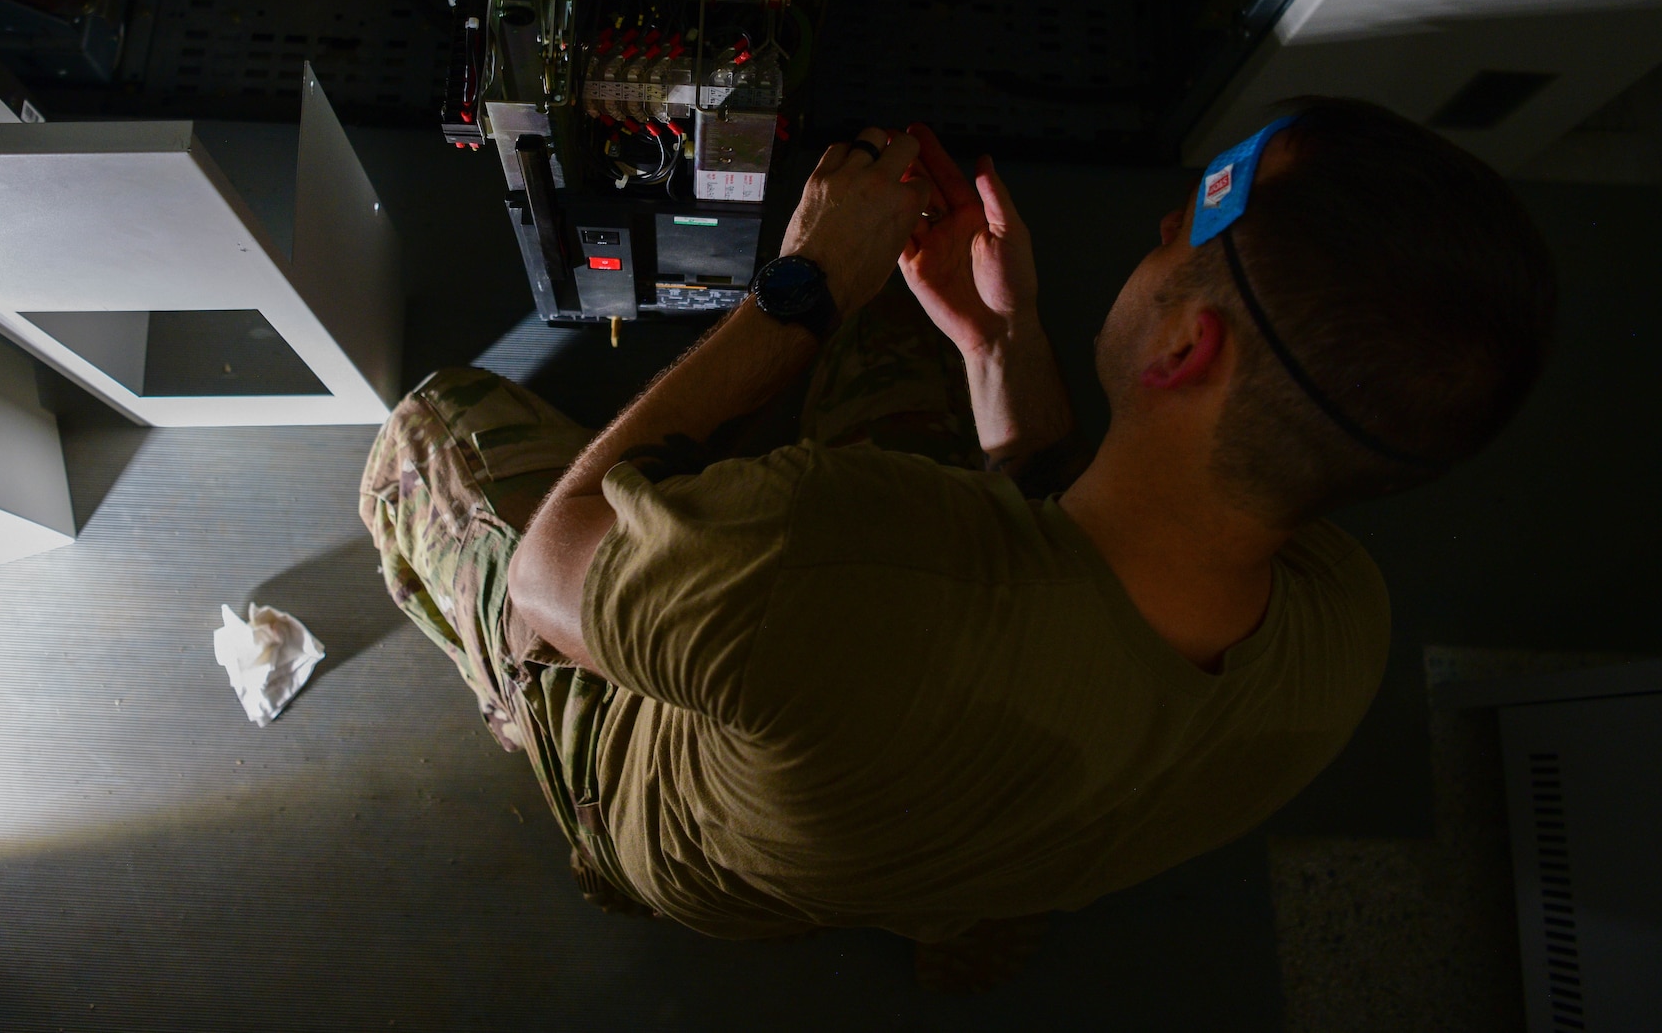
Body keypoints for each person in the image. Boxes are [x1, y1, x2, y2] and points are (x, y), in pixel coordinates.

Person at [360, 98, 1556, 982]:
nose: (1148, 240)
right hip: (1001, 808)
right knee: (906, 357)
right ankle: (959, 917)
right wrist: (997, 343)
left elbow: (547, 568)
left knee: (429, 428)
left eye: (1163, 240)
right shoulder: (1344, 619)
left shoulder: (825, 558)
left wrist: (796, 297)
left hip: (676, 827)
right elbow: (1057, 534)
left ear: (1183, 349)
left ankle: (589, 809)